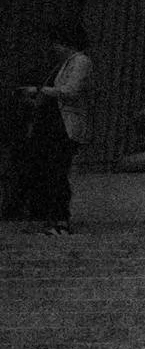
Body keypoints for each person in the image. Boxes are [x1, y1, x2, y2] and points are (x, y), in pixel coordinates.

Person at [17, 21, 92, 234]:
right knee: (46, 170)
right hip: (52, 124)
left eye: (56, 43)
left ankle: (61, 220)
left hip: (64, 126)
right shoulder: (63, 65)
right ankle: (50, 218)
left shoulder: (80, 61)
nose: (53, 48)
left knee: (57, 170)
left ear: (66, 43)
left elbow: (71, 91)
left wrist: (39, 89)